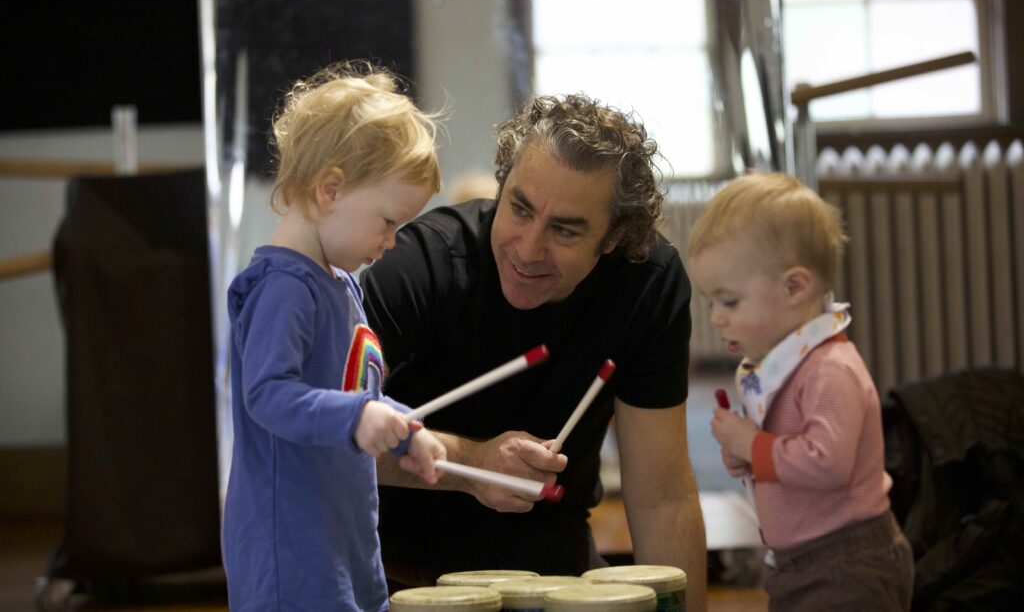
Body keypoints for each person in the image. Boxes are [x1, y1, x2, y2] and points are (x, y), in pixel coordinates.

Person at [362, 93, 708, 610]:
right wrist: (471, 462)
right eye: (519, 209)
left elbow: (662, 495)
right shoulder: (420, 266)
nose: (527, 249)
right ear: (501, 186)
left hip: (554, 562)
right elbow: (325, 437)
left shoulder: (646, 286)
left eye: (564, 230)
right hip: (397, 563)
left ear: (614, 236)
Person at [221, 62, 447, 612]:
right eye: (388, 221)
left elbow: (349, 394)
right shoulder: (284, 287)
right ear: (330, 191)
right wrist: (360, 417)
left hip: (341, 535)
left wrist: (400, 426)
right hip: (291, 550)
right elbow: (268, 395)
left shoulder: (340, 282)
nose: (392, 242)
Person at [687, 172, 914, 611]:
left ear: (795, 287)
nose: (716, 318)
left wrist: (753, 446)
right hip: (797, 561)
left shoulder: (830, 370)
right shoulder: (784, 363)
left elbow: (827, 464)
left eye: (729, 301)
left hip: (847, 562)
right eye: (711, 302)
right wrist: (746, 455)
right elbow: (785, 458)